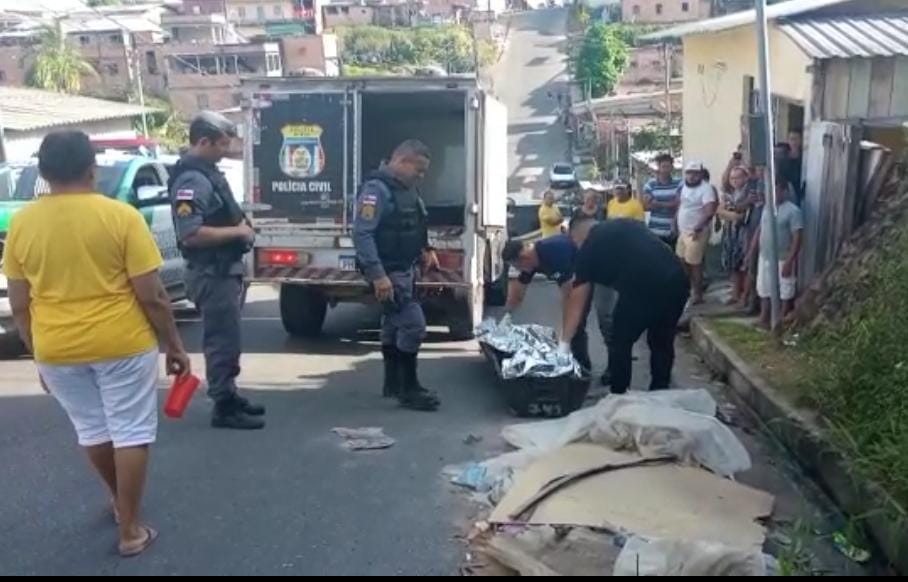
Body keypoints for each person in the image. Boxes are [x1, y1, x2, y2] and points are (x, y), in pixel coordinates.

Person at [4, 131, 191, 557]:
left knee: (93, 430)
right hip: (121, 342)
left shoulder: (22, 225)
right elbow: (152, 294)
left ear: (43, 173)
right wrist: (175, 345)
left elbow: (19, 305)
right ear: (93, 168)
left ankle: (119, 503)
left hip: (56, 348)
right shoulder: (120, 217)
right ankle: (129, 528)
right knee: (131, 432)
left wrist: (39, 356)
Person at [170, 111, 264, 430]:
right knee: (221, 340)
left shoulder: (207, 172)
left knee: (229, 339)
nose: (226, 150)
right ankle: (223, 406)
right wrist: (239, 233)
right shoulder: (192, 180)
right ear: (203, 141)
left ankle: (229, 393)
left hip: (223, 270)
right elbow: (190, 233)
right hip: (212, 272)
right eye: (222, 145)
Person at [353, 139, 441, 412]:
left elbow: (415, 221)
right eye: (419, 170)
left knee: (393, 324)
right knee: (414, 325)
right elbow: (362, 233)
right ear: (402, 161)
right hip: (389, 271)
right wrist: (378, 276)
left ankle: (392, 383)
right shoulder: (376, 190)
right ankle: (408, 388)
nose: (422, 176)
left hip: (405, 267)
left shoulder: (407, 189)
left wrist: (427, 249)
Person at [558, 218, 689, 394]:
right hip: (677, 280)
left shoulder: (589, 247)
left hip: (642, 287)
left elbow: (577, 300)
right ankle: (660, 391)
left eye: (574, 242)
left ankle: (619, 393)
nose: (576, 246)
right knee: (661, 341)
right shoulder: (626, 224)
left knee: (620, 342)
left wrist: (565, 343)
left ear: (577, 235)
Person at [501, 229, 590, 371]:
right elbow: (518, 291)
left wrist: (564, 341)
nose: (520, 270)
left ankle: (583, 368)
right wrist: (507, 316)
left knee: (577, 325)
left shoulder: (554, 253)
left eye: (517, 266)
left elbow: (570, 297)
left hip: (591, 273)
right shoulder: (531, 261)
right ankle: (573, 361)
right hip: (577, 280)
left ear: (524, 258)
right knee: (572, 327)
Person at [747, 176, 804, 328]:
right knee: (764, 287)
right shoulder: (767, 208)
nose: (772, 194)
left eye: (776, 190)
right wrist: (752, 250)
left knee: (785, 289)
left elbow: (797, 238)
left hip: (783, 257)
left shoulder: (793, 211)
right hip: (765, 255)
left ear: (784, 191)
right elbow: (760, 229)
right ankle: (764, 317)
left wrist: (790, 261)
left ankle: (782, 318)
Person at [674, 161, 717, 305]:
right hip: (683, 231)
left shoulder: (706, 189)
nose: (692, 176)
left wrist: (698, 227)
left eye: (695, 173)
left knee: (694, 264)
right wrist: (675, 221)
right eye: (689, 173)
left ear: (700, 174)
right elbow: (681, 205)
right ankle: (688, 289)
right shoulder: (683, 186)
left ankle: (698, 294)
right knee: (681, 261)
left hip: (697, 232)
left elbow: (709, 211)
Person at [718, 165, 757, 305]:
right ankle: (735, 293)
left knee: (745, 264)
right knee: (733, 264)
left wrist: (732, 211)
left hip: (746, 232)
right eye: (732, 178)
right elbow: (721, 211)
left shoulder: (750, 190)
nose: (734, 180)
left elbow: (741, 209)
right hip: (731, 232)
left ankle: (745, 296)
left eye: (738, 177)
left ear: (746, 177)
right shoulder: (730, 193)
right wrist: (732, 213)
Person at [643, 153, 681, 245]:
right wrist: (671, 203)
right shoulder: (650, 184)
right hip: (654, 230)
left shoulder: (679, 183)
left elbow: (679, 204)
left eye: (668, 166)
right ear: (658, 167)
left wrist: (657, 203)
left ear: (672, 167)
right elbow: (647, 206)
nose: (665, 169)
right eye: (663, 166)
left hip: (672, 229)